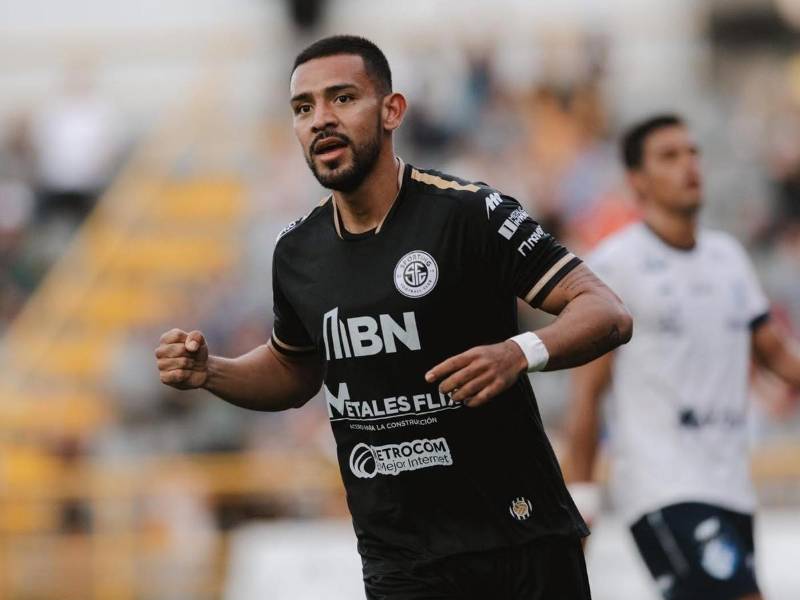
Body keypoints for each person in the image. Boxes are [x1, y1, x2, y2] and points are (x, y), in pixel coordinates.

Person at [155, 35, 632, 599]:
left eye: (342, 98)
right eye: (304, 108)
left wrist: (517, 353)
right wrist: (213, 371)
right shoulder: (297, 252)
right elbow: (293, 369)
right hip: (400, 558)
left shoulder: (468, 213)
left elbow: (606, 310)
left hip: (519, 538)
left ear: (391, 110)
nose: (321, 119)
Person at [563, 114, 800, 600]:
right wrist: (583, 498)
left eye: (693, 153)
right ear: (637, 180)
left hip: (730, 483)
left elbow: (777, 356)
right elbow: (587, 390)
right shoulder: (615, 266)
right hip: (662, 487)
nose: (689, 166)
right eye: (669, 156)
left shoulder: (728, 258)